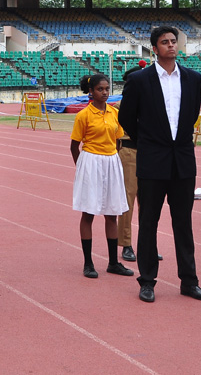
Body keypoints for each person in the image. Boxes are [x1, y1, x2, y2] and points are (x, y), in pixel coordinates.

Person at [118, 26, 201, 304]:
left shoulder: (192, 78)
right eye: (164, 42)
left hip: (182, 160)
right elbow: (126, 118)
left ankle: (189, 281)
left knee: (184, 223)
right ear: (154, 49)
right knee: (148, 222)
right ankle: (147, 281)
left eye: (173, 41)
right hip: (152, 159)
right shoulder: (140, 80)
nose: (171, 45)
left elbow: (192, 114)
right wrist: (150, 141)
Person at [70, 74, 134, 279]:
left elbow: (117, 140)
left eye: (107, 89)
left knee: (112, 212)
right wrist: (82, 168)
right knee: (88, 213)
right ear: (91, 91)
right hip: (91, 162)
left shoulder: (114, 113)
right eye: (100, 89)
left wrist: (111, 159)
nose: (105, 92)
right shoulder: (83, 115)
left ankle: (113, 263)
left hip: (111, 162)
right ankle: (88, 263)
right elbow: (74, 145)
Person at [117, 66, 142, 262]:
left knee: (150, 202)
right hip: (128, 152)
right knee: (128, 199)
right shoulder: (118, 107)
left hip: (151, 153)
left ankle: (147, 243)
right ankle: (126, 244)